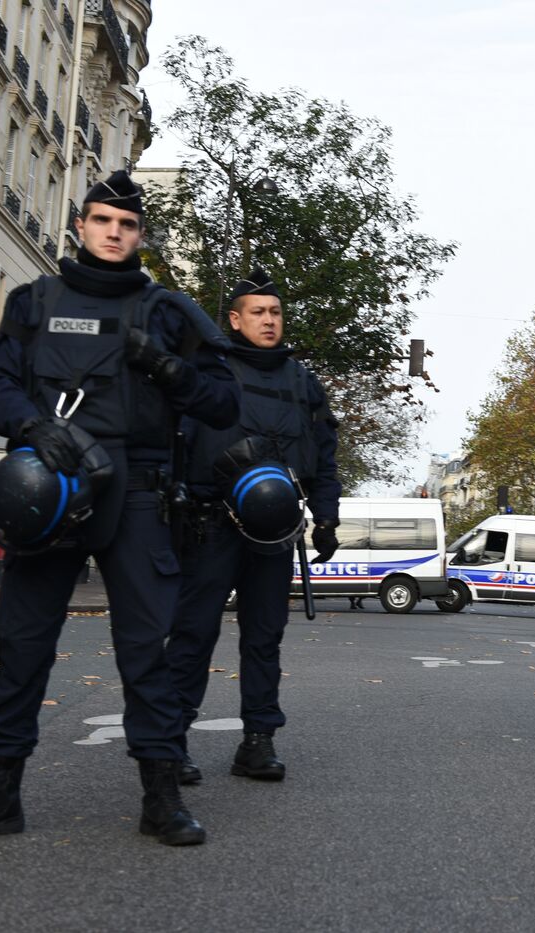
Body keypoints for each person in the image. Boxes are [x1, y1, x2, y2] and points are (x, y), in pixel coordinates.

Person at [0, 171, 239, 846]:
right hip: (51, 485)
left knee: (146, 649)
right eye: (101, 221)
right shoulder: (35, 301)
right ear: (81, 227)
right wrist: (34, 427)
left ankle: (161, 795)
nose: (113, 233)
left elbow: (223, 402)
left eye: (125, 225)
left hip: (138, 491)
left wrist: (169, 370)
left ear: (138, 234)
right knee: (23, 645)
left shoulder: (169, 312)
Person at [166, 268, 341, 784]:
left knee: (264, 638)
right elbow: (177, 442)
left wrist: (328, 517)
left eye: (276, 312)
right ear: (235, 319)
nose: (269, 321)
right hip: (211, 524)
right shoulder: (207, 371)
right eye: (258, 313)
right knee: (193, 634)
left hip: (275, 533)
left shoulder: (302, 382)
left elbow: (324, 455)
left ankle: (258, 742)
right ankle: (171, 743)